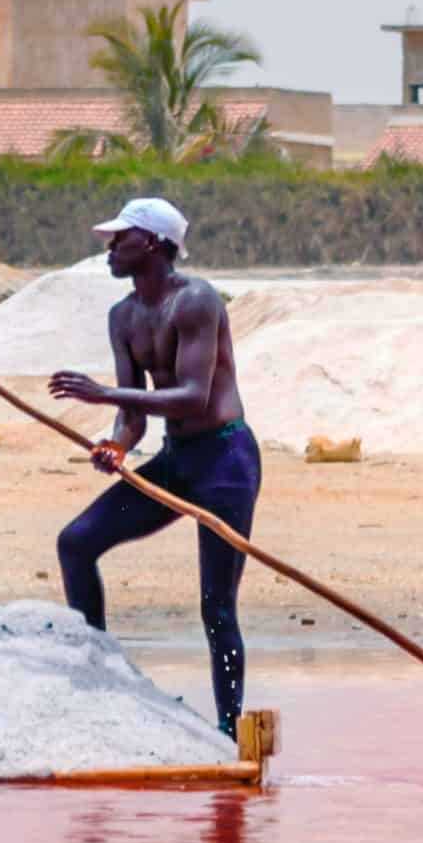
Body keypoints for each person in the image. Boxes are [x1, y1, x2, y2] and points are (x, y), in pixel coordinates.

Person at [47, 197, 261, 736]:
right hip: (177, 459)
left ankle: (229, 732)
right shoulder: (122, 316)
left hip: (226, 461)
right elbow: (133, 414)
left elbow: (192, 396)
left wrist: (99, 393)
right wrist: (117, 446)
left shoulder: (196, 301)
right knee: (76, 542)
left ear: (155, 244)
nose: (110, 247)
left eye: (122, 238)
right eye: (111, 238)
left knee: (216, 607)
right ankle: (98, 675)